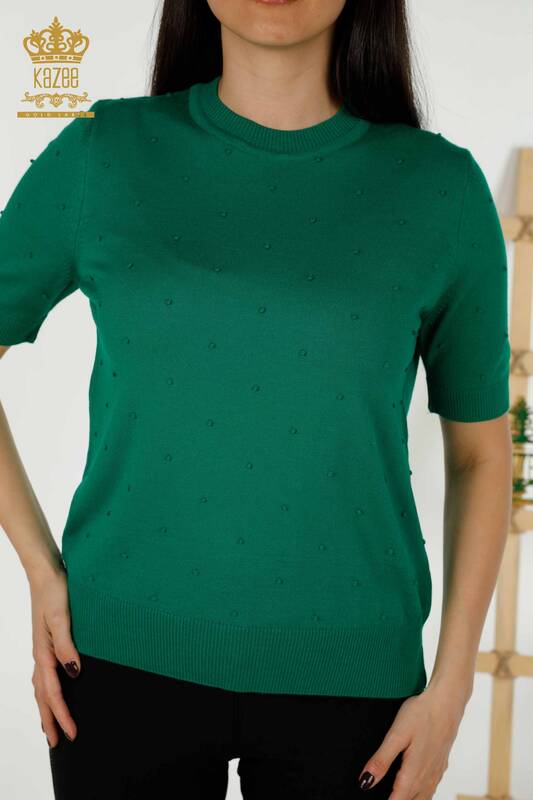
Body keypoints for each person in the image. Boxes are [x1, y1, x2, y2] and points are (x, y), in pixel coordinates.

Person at [0, 1, 513, 798]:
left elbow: (480, 454)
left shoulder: (439, 188)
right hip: (115, 662)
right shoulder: (104, 151)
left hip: (359, 685)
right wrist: (39, 568)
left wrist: (450, 690)